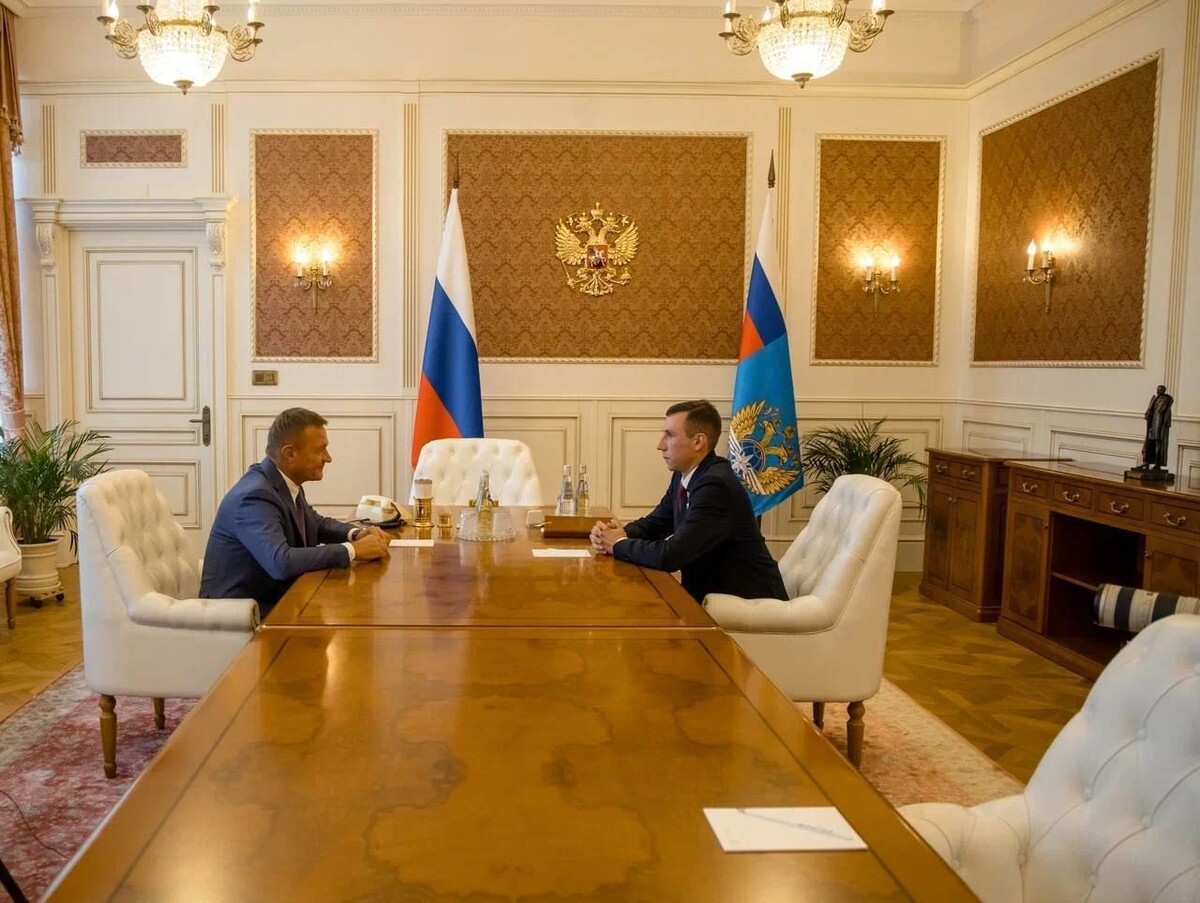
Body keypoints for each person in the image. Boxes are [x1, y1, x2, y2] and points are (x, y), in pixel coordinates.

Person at [590, 399, 788, 603]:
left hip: (749, 605)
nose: (660, 445)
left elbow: (671, 556)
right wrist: (617, 533)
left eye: (669, 435)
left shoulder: (715, 485)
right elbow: (656, 523)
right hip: (713, 598)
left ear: (698, 442)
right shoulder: (684, 474)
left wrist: (618, 544)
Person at [201, 408, 390, 617]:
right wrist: (352, 550)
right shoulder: (254, 496)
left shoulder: (281, 481)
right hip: (242, 618)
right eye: (320, 450)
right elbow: (281, 562)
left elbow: (314, 523)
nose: (328, 458)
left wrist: (356, 534)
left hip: (282, 601)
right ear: (289, 453)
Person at [1138, 384, 1173, 471]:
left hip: (1159, 425)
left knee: (1158, 443)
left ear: (1163, 391)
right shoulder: (1154, 399)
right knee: (1149, 442)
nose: (1158, 391)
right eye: (1157, 389)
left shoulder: (1166, 400)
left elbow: (1162, 412)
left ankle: (1157, 463)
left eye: (1160, 390)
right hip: (1152, 423)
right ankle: (1147, 462)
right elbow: (1150, 410)